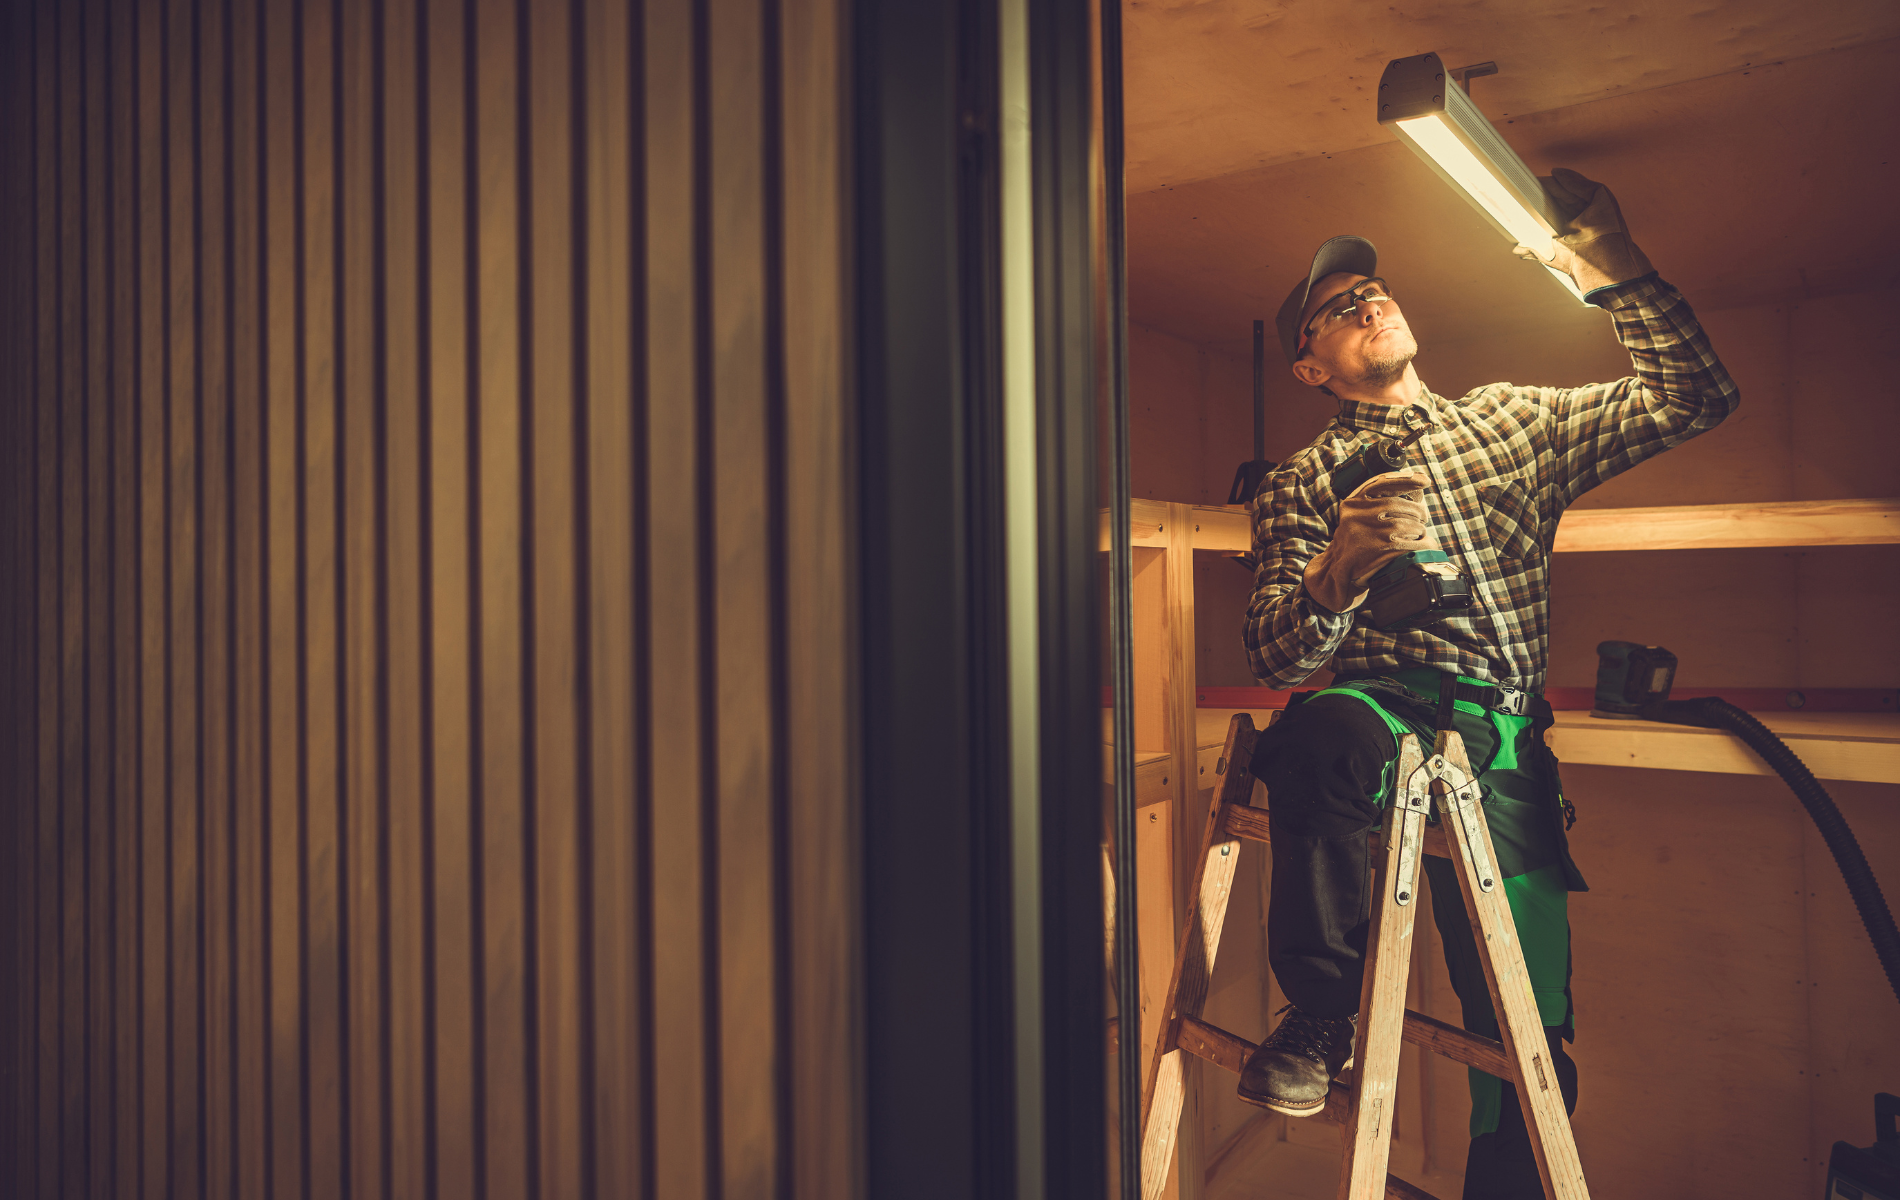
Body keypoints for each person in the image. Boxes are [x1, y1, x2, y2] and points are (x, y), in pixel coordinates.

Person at [1237, 169, 1739, 1198]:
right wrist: (1337, 569)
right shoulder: (1301, 481)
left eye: (1374, 288)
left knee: (1527, 1036)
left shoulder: (1510, 424)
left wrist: (1618, 272)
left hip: (1500, 738)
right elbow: (1277, 656)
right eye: (1337, 307)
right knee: (1319, 730)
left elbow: (1695, 397)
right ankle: (1323, 1012)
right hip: (1379, 708)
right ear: (1308, 365)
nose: (1367, 302)